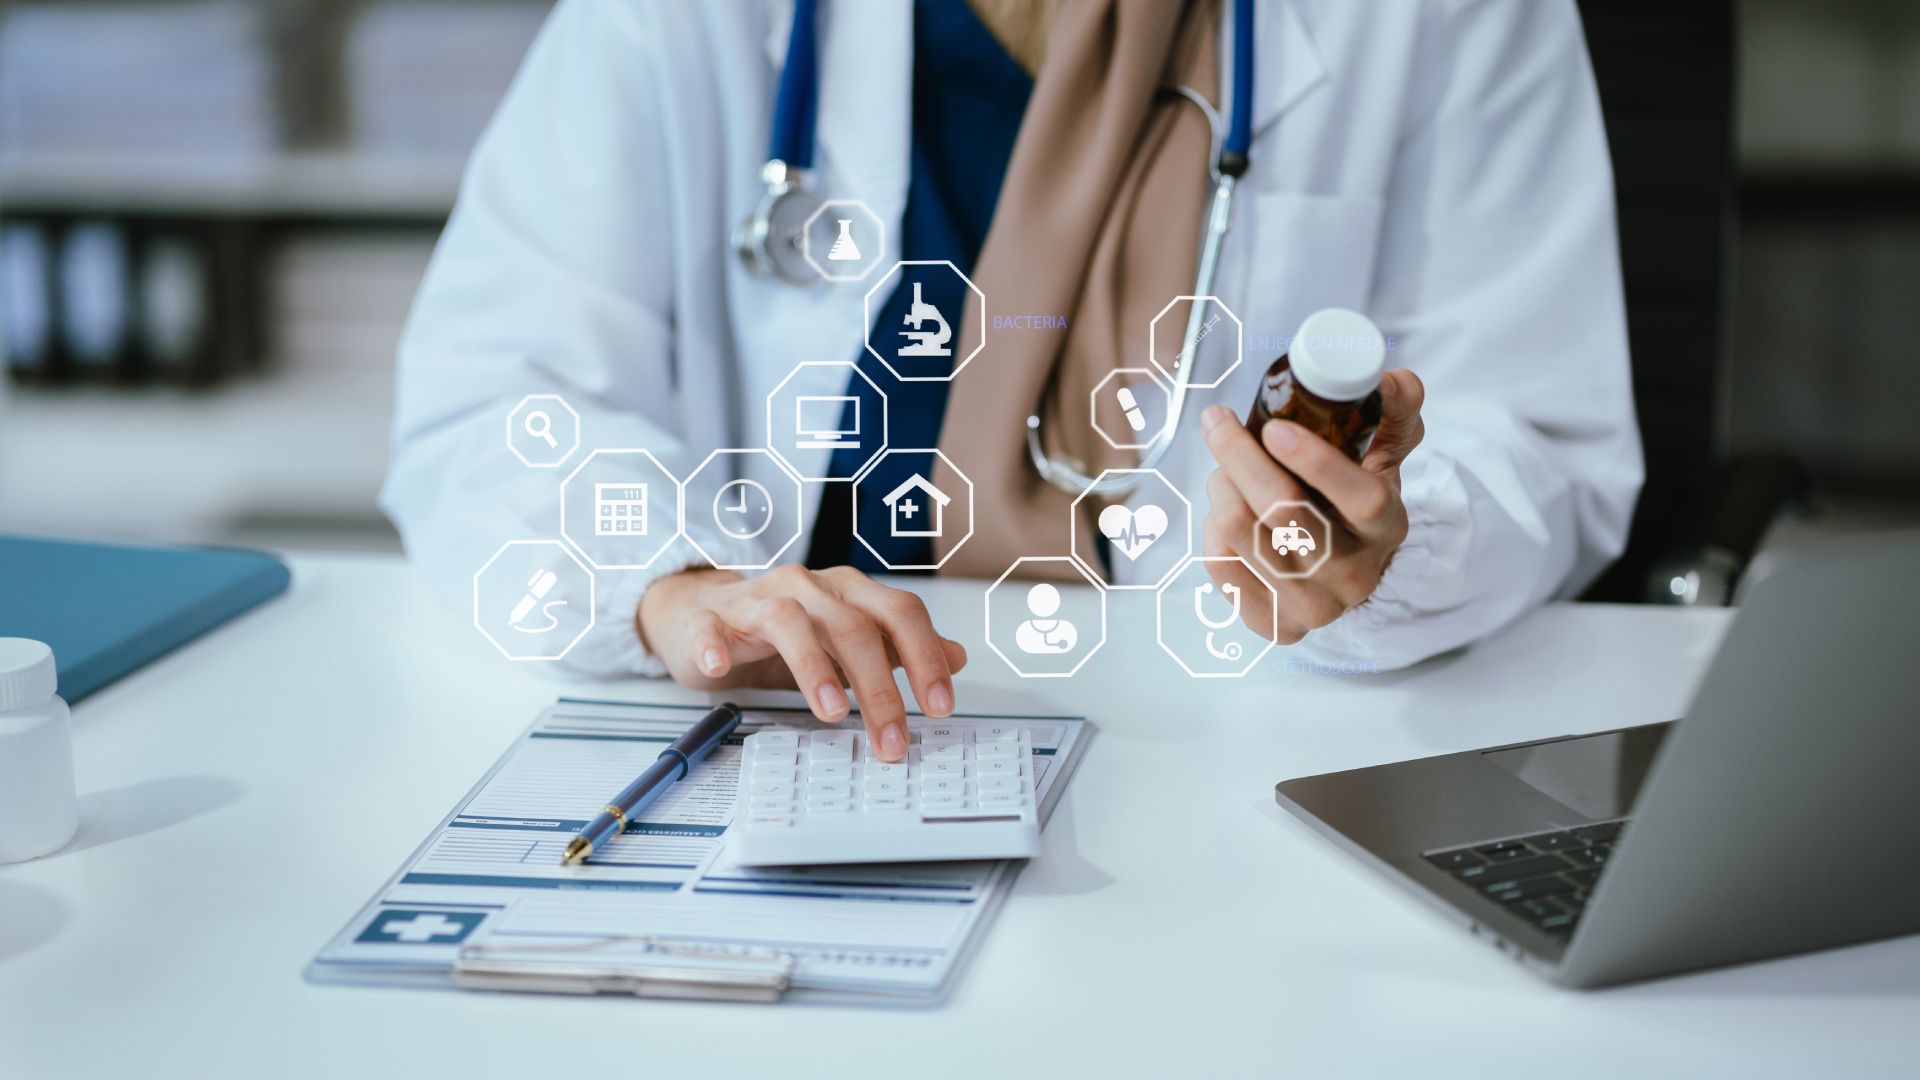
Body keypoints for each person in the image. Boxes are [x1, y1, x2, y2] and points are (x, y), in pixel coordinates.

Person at [382, 0, 1640, 762]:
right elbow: (490, 393)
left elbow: (1541, 435)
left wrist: (1391, 550)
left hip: (1235, 745)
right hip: (803, 738)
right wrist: (674, 583)